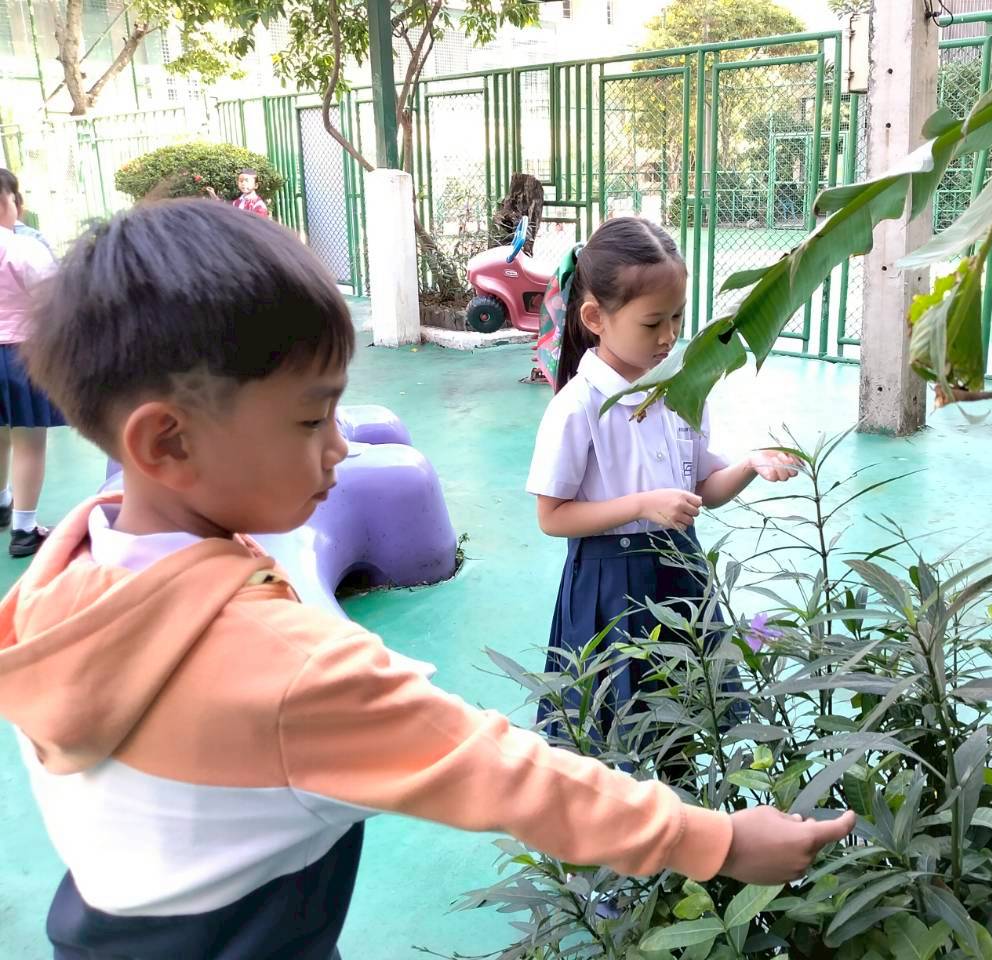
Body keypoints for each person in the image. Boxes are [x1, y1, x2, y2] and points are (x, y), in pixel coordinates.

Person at [0, 200, 853, 960]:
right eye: (311, 417)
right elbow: (501, 770)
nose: (341, 445)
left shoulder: (64, 579)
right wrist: (719, 843)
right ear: (167, 442)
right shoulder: (285, 671)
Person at [526, 217, 799, 743]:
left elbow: (704, 492)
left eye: (677, 317)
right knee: (612, 736)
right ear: (595, 318)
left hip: (682, 575)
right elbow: (551, 517)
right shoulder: (577, 407)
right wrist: (641, 505)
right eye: (653, 323)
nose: (669, 336)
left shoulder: (681, 390)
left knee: (690, 726)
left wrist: (749, 464)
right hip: (609, 588)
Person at [0, 169, 63, 558]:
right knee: (29, 441)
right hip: (21, 354)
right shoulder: (24, 249)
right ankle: (24, 530)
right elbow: (53, 300)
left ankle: (1, 502)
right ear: (8, 203)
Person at [206, 167, 270, 218]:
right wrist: (213, 195)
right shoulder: (238, 202)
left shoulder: (258, 205)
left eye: (247, 181)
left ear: (256, 185)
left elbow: (260, 226)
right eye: (241, 181)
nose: (243, 183)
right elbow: (226, 206)